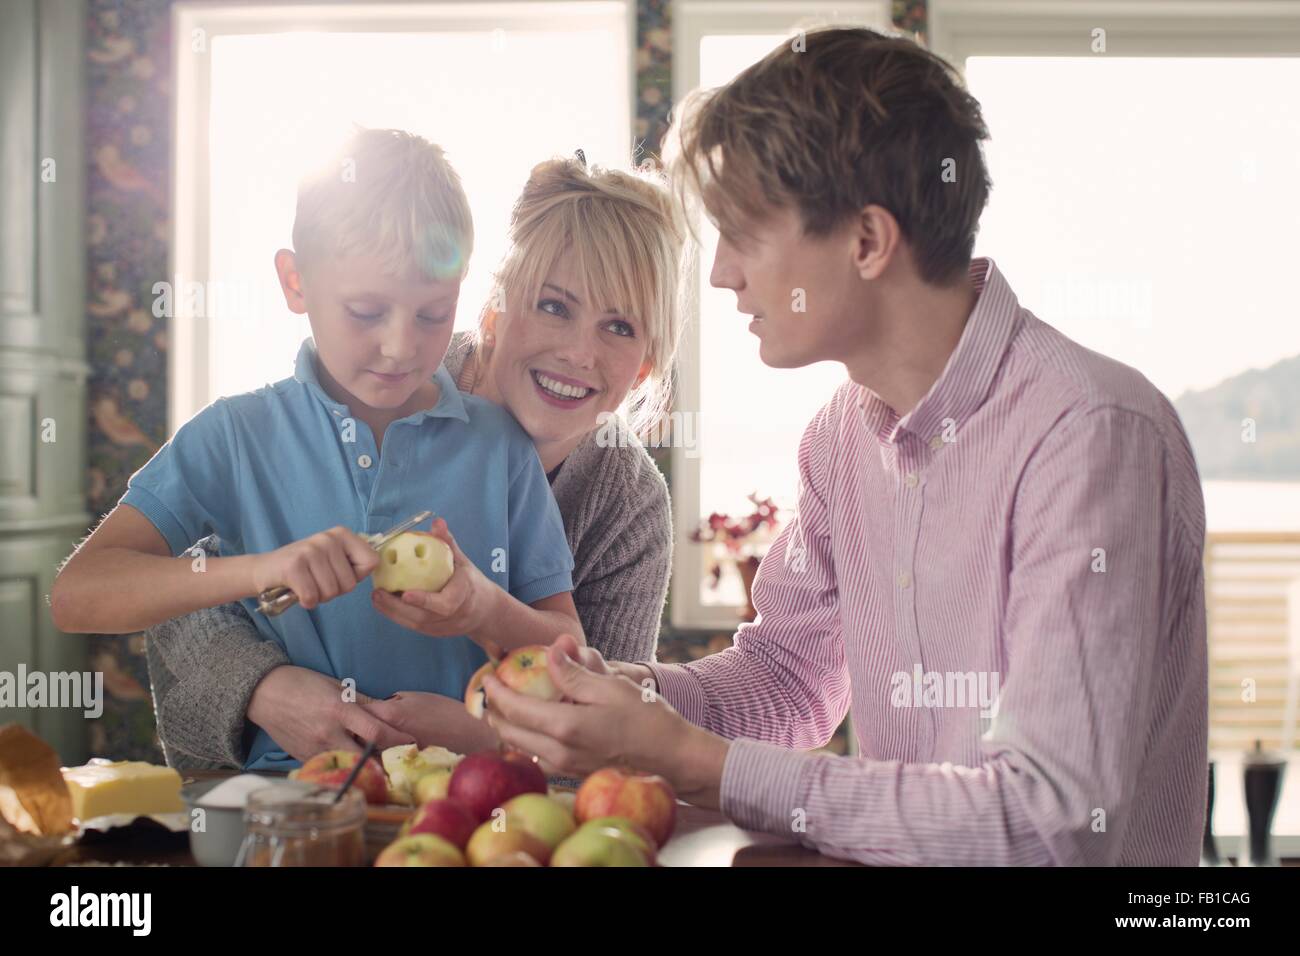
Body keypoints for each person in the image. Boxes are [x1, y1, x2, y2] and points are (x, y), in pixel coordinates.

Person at [482, 28, 1209, 866]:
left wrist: (692, 760)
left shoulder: (1091, 437)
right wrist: (641, 697)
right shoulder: (840, 438)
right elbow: (790, 683)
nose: (721, 274)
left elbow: (1044, 822)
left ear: (865, 242)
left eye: (744, 234)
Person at [51, 128, 582, 771]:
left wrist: (481, 615)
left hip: (470, 795)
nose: (400, 347)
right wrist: (262, 570)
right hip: (289, 804)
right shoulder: (234, 434)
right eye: (365, 311)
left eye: (433, 314)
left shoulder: (500, 447)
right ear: (295, 281)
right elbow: (77, 595)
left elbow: (568, 652)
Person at [142, 154, 686, 769]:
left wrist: (480, 736)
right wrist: (264, 690)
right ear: (494, 313)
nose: (579, 353)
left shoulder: (630, 503)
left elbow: (602, 725)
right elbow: (180, 579)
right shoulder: (390, 375)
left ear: (645, 366)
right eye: (555, 306)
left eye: (619, 326)